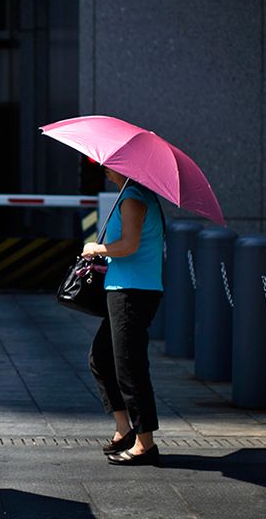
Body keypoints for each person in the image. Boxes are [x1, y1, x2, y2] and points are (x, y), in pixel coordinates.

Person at [82, 167, 164, 466]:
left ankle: (145, 444)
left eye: (110, 163)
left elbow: (129, 245)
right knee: (101, 358)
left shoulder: (134, 197)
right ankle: (124, 429)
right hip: (126, 289)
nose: (105, 167)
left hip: (133, 292)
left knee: (129, 366)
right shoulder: (132, 195)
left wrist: (96, 248)